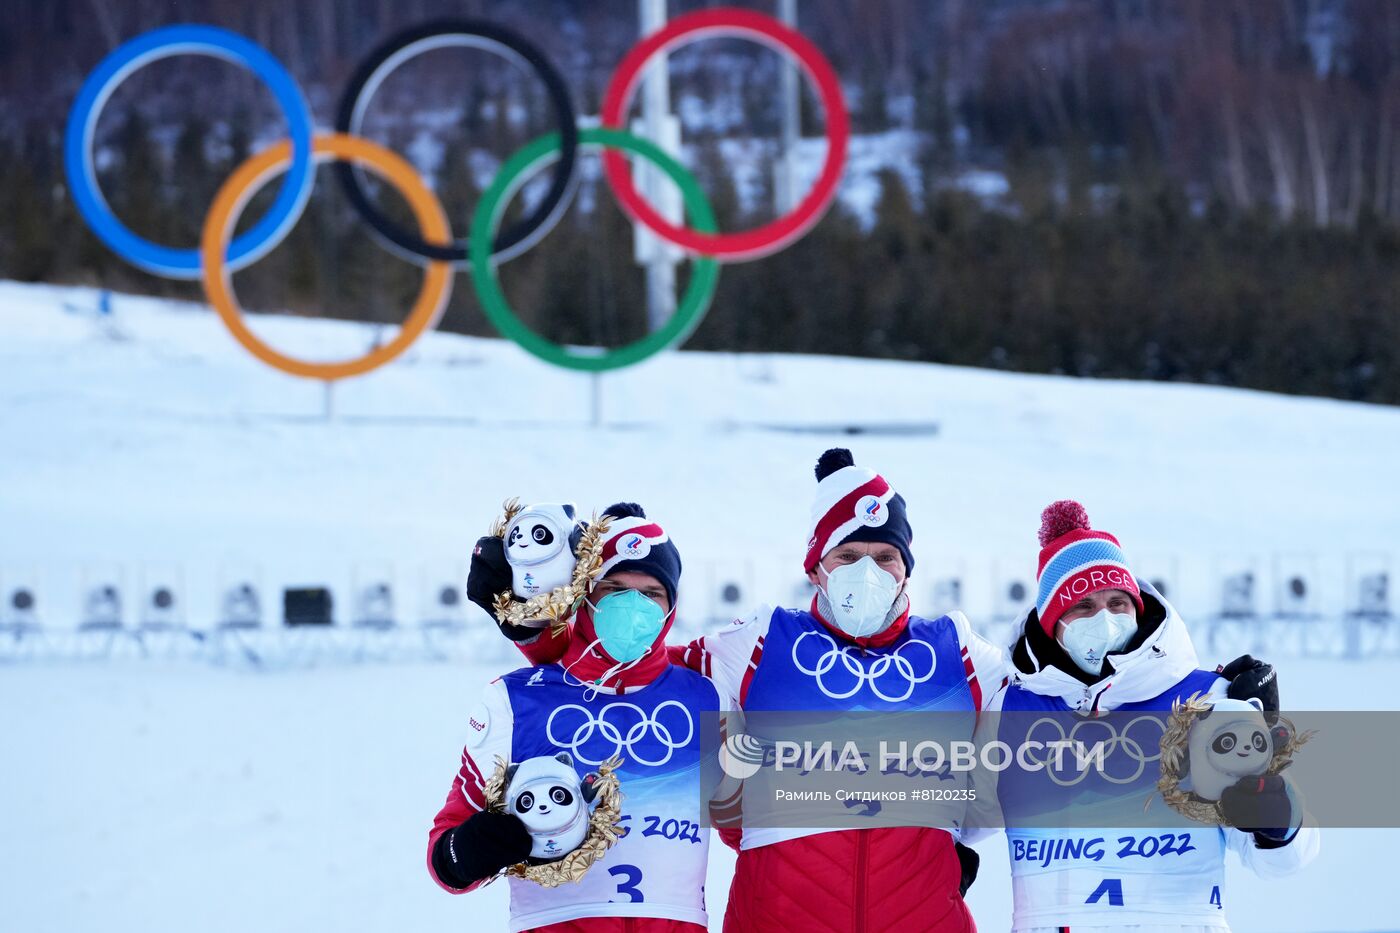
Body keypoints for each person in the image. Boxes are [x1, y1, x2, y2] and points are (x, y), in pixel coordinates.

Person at [487, 449, 1009, 932]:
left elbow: (1047, 723)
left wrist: (955, 834)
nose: (867, 572)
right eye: (848, 554)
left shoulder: (956, 651)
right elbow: (630, 664)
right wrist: (533, 634)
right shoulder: (761, 643)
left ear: (906, 568)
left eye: (885, 557)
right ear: (817, 567)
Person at [969, 500, 1318, 932]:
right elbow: (962, 821)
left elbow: (1286, 860)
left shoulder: (1205, 701)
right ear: (1052, 625)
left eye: (1118, 602)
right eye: (1082, 606)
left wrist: (1275, 818)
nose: (1105, 617)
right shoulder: (1011, 711)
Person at [431, 502, 732, 932]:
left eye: (651, 594)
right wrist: (467, 853)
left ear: (672, 606)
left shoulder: (707, 699)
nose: (633, 606)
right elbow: (446, 846)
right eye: (613, 589)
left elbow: (766, 829)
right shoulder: (514, 701)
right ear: (585, 597)